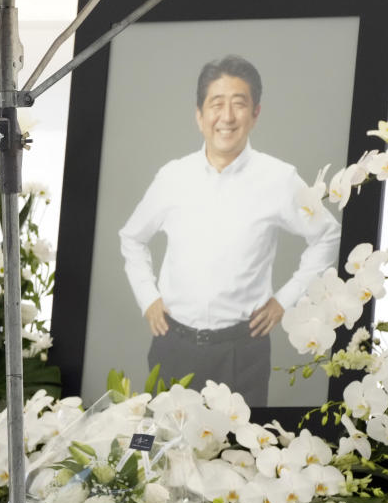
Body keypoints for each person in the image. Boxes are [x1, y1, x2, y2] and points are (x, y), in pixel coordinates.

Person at [118, 55, 340, 407]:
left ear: (256, 114)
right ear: (199, 115)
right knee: (161, 448)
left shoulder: (279, 178)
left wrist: (285, 300)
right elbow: (132, 238)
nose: (227, 116)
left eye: (239, 104)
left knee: (240, 456)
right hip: (173, 345)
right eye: (216, 104)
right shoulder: (172, 177)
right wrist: (148, 298)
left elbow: (327, 235)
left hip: (242, 351)